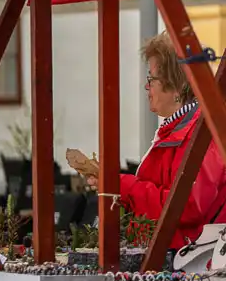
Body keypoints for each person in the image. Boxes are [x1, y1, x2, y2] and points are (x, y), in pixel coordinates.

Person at [86, 31, 226, 247]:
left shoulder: (201, 136)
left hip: (186, 263)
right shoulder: (179, 130)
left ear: (177, 87)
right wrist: (117, 188)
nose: (146, 87)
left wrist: (124, 186)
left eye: (151, 79)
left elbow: (187, 206)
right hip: (168, 255)